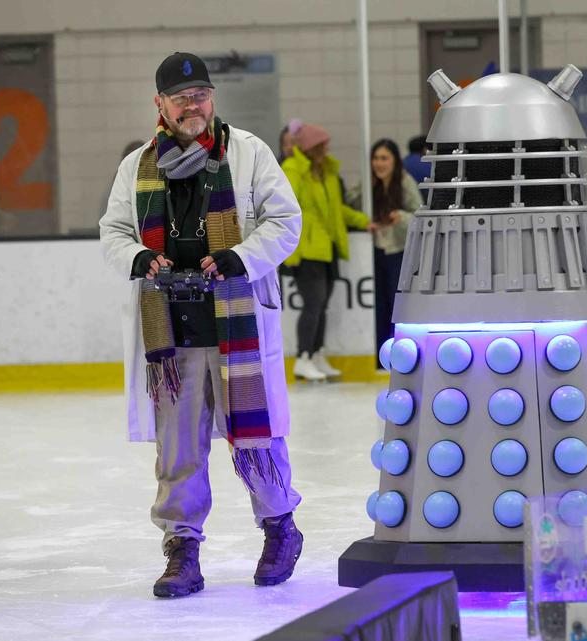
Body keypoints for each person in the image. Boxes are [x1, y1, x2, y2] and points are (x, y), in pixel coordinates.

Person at [99, 52, 305, 598]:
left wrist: (241, 256)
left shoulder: (248, 152)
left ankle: (280, 528)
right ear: (159, 104)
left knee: (256, 435)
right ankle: (182, 549)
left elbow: (287, 220)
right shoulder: (137, 165)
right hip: (171, 330)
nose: (193, 105)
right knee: (178, 447)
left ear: (211, 98)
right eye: (181, 97)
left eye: (201, 95)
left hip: (236, 321)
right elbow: (114, 231)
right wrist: (141, 259)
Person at [281, 121, 371, 382]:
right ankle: (303, 358)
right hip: (306, 249)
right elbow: (286, 207)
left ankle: (316, 353)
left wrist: (363, 221)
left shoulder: (327, 173)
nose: (327, 149)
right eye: (323, 145)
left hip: (327, 247)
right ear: (312, 147)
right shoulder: (294, 170)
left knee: (322, 304)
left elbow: (337, 210)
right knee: (313, 303)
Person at [347, 139, 424, 363]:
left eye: (384, 158)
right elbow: (350, 203)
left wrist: (401, 216)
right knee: (378, 304)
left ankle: (398, 353)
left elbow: (418, 216)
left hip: (398, 251)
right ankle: (380, 353)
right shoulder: (369, 183)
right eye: (376, 158)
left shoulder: (405, 182)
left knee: (395, 302)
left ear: (394, 161)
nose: (379, 163)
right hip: (374, 251)